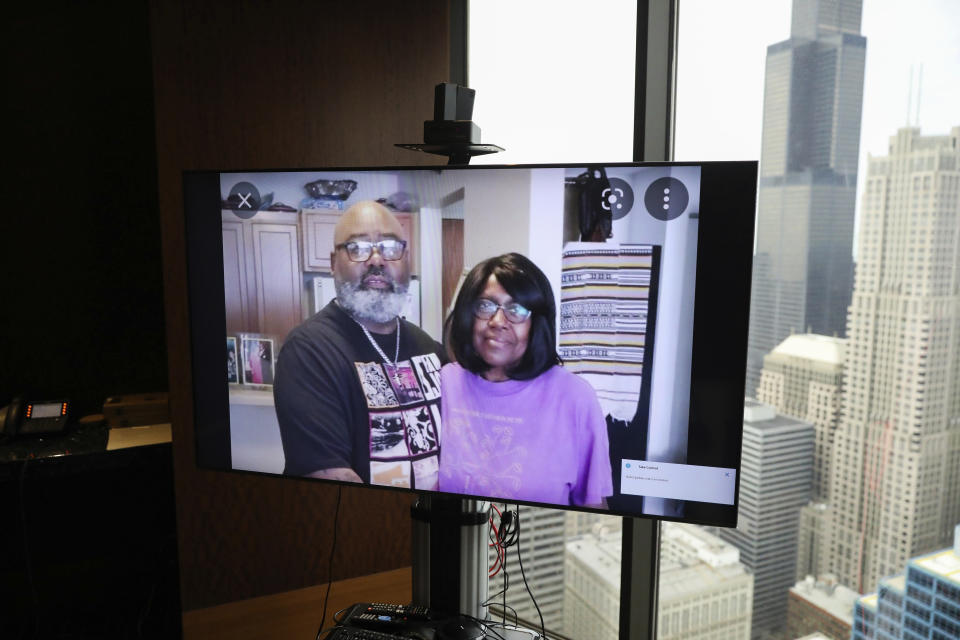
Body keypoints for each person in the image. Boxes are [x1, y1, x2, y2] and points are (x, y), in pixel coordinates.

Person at [274, 200, 444, 489]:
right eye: (358, 249)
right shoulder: (308, 351)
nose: (376, 260)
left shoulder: (431, 350)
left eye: (391, 248)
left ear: (407, 260)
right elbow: (332, 481)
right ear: (332, 264)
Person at [439, 253, 612, 507]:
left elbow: (593, 506)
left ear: (537, 323)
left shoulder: (574, 398)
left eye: (516, 309)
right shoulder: (445, 383)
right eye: (486, 305)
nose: (498, 322)